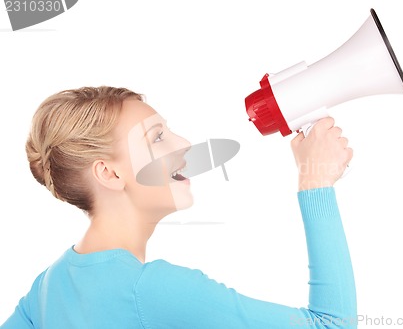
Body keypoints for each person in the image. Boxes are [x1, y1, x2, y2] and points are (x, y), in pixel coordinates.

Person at [1, 86, 357, 328]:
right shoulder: (152, 288)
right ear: (108, 173)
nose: (184, 143)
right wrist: (316, 182)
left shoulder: (48, 287)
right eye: (156, 137)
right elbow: (333, 324)